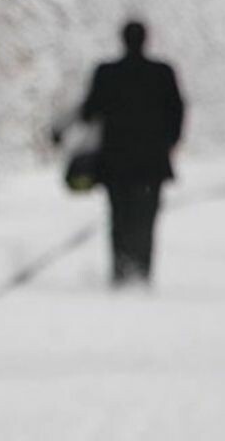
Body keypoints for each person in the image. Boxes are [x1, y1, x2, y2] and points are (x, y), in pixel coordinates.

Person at [77, 20, 185, 287]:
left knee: (119, 216)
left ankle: (120, 271)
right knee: (146, 218)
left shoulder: (107, 73)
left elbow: (89, 111)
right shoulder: (162, 73)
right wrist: (168, 142)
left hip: (115, 161)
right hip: (152, 162)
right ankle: (142, 271)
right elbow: (177, 112)